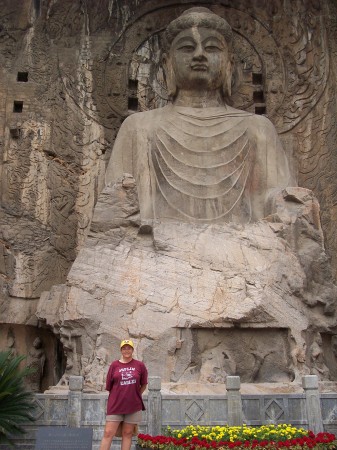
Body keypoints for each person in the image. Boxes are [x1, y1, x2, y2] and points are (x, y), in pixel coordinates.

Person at [105, 7, 292, 226]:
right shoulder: (139, 126)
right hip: (159, 248)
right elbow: (116, 206)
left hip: (243, 247)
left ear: (229, 64)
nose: (199, 54)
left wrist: (290, 206)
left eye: (212, 48)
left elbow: (273, 201)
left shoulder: (258, 128)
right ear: (167, 63)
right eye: (187, 48)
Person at [99, 339, 148, 450]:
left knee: (127, 433)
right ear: (121, 350)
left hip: (133, 405)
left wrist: (135, 395)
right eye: (124, 348)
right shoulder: (114, 365)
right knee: (108, 433)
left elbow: (144, 384)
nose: (127, 350)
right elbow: (109, 387)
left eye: (129, 348)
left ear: (132, 350)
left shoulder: (140, 365)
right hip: (116, 405)